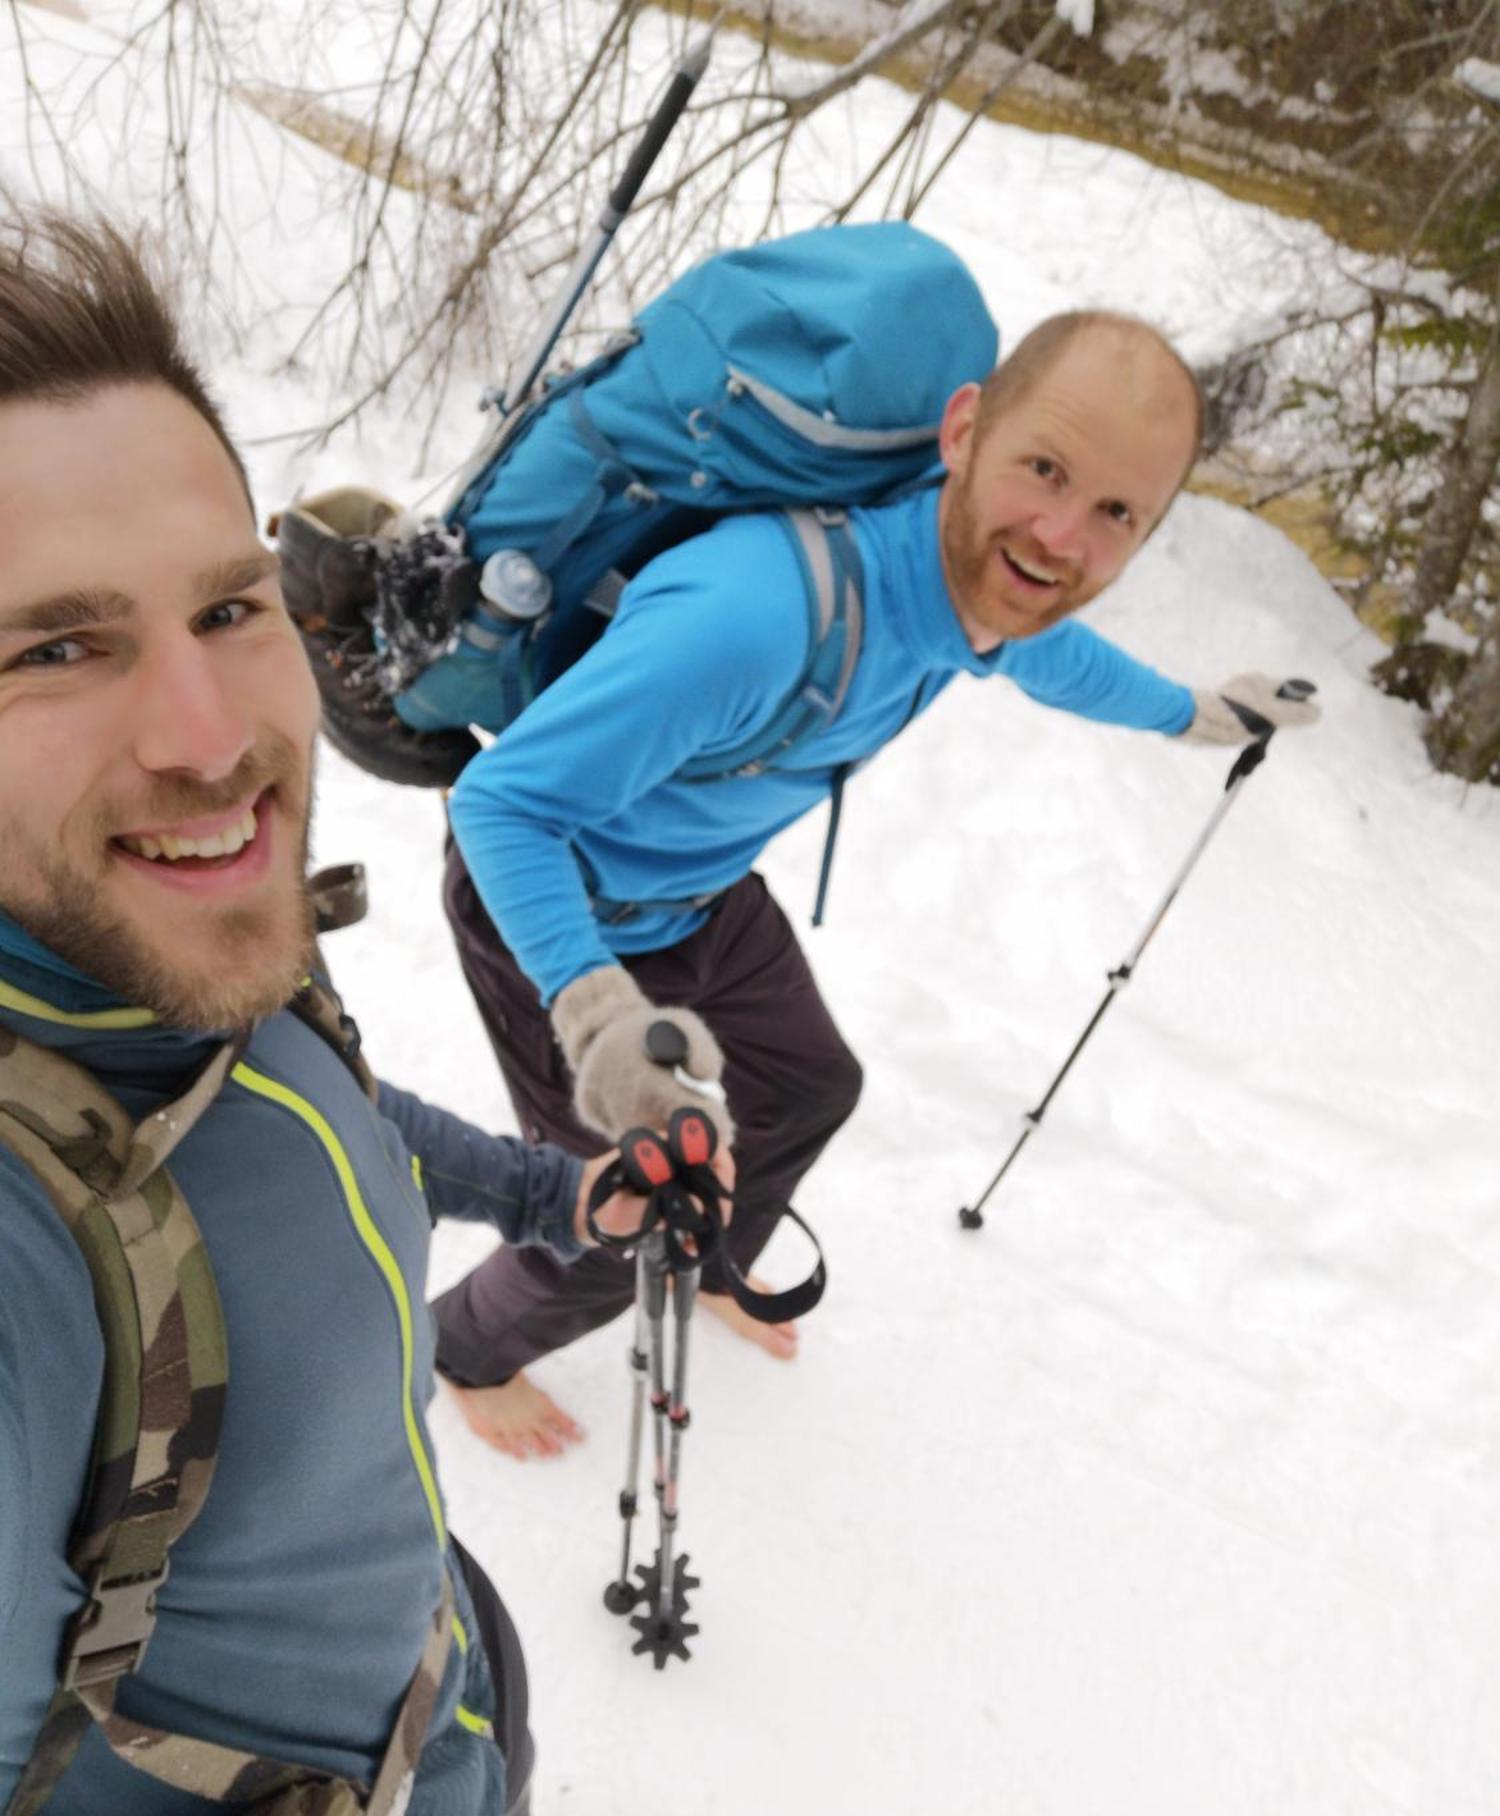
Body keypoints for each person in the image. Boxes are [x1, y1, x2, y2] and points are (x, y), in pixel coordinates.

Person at [0, 211, 689, 1816]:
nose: (209, 728)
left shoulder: (165, 944)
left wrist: (552, 1198)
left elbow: (329, 1128)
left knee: (483, 1764)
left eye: (228, 608)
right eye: (53, 651)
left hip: (416, 1662)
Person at [425, 306, 1321, 1461]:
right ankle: (466, 1345)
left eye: (1116, 514)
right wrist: (599, 1012)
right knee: (624, 1203)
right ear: (965, 431)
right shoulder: (754, 615)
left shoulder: (970, 593)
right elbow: (503, 807)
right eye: (1044, 468)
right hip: (555, 908)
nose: (1060, 537)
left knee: (809, 1084)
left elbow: (1058, 657)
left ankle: (710, 1262)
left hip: (699, 894)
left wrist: (1200, 712)